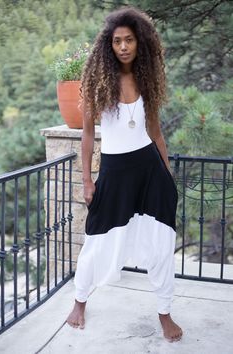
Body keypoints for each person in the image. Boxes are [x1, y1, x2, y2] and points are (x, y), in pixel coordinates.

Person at [66, 6, 183, 342]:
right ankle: (80, 301)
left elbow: (156, 132)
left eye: (129, 40)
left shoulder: (146, 79)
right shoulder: (97, 83)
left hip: (149, 171)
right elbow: (87, 136)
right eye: (117, 41)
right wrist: (88, 179)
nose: (123, 46)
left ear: (139, 42)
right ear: (109, 45)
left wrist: (167, 175)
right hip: (115, 173)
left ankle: (164, 313)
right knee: (97, 241)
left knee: (161, 243)